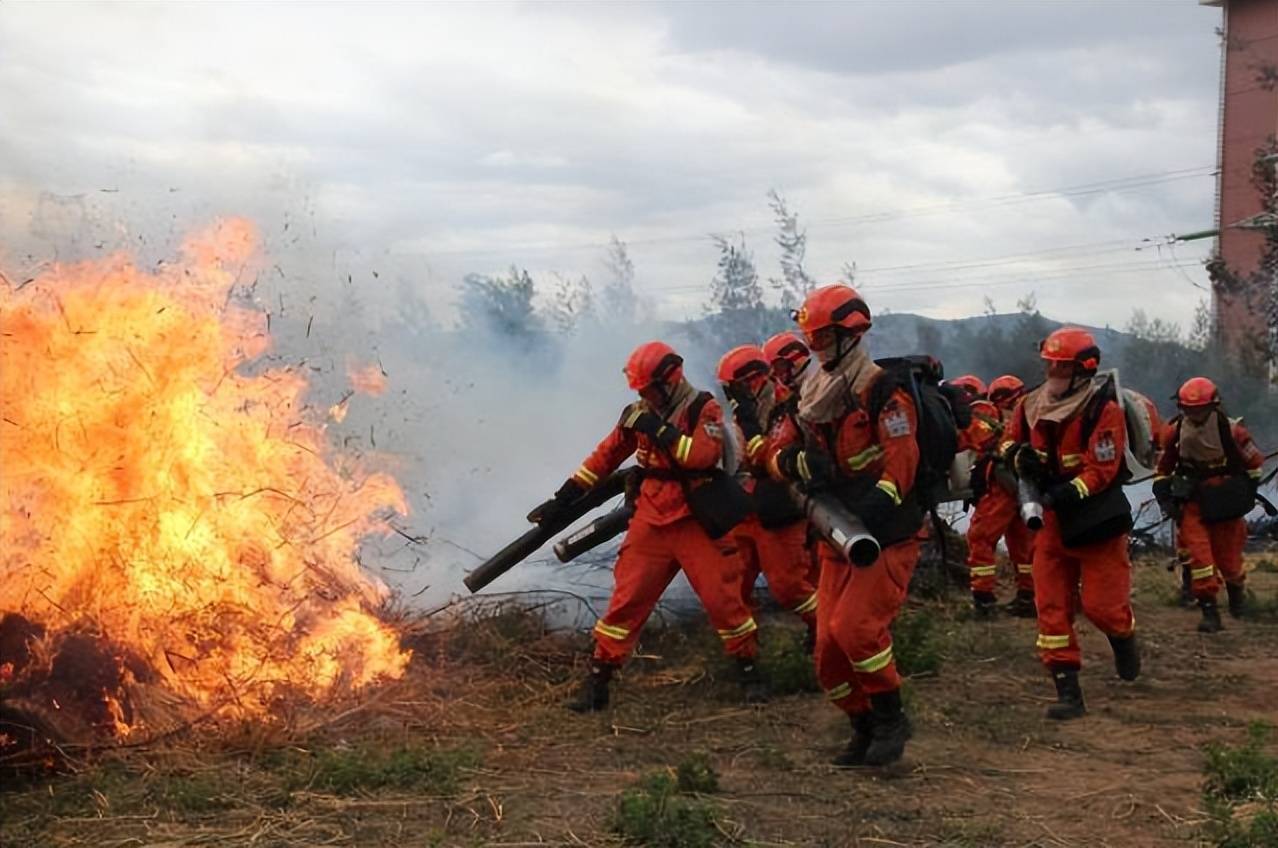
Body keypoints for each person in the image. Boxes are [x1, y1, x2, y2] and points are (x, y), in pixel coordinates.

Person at [543, 341, 765, 712]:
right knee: (626, 601)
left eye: (649, 389)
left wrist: (659, 430)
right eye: (640, 390)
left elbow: (700, 457)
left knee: (723, 601)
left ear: (670, 380)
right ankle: (598, 682)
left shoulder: (703, 407)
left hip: (696, 519)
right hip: (651, 519)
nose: (644, 396)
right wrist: (564, 496)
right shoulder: (637, 413)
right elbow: (606, 456)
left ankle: (750, 673)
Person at [767, 284, 922, 767]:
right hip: (835, 533)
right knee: (828, 653)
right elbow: (774, 452)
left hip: (884, 535)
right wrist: (793, 462)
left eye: (821, 338)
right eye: (810, 339)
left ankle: (892, 719)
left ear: (849, 335)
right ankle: (863, 725)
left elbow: (902, 461)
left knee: (856, 629)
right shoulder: (809, 395)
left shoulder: (883, 393)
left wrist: (876, 506)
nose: (814, 348)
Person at [1003, 327, 1140, 720]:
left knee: (1102, 608)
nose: (1052, 373)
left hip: (1096, 522)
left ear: (1083, 371)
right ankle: (1068, 691)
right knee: (1051, 607)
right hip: (1050, 523)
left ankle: (1123, 636)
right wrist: (1017, 456)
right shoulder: (1030, 405)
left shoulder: (1103, 410)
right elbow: (1008, 441)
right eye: (1049, 365)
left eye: (1061, 367)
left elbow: (1102, 469)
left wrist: (1066, 492)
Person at [718, 345, 819, 650]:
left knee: (790, 587)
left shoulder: (790, 408)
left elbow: (770, 458)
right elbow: (738, 457)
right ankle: (745, 656)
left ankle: (829, 632)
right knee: (733, 587)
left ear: (755, 379)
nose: (733, 396)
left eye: (736, 387)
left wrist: (750, 427)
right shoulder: (741, 412)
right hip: (745, 510)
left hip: (779, 510)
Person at [1153, 377, 1265, 631]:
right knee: (1200, 558)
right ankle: (1209, 611)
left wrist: (1247, 494)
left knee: (1229, 560)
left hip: (1226, 501)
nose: (1193, 414)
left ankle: (1237, 599)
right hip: (1194, 502)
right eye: (1188, 409)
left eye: (1199, 409)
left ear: (1213, 406)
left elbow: (1254, 465)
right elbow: (1163, 468)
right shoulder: (1174, 432)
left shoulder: (1234, 432)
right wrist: (1165, 496)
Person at [964, 374, 1036, 618]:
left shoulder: (983, 414)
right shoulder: (1032, 415)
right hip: (1024, 489)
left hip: (1001, 489)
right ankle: (1029, 597)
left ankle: (983, 599)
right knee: (1023, 543)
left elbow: (977, 440)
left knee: (980, 539)